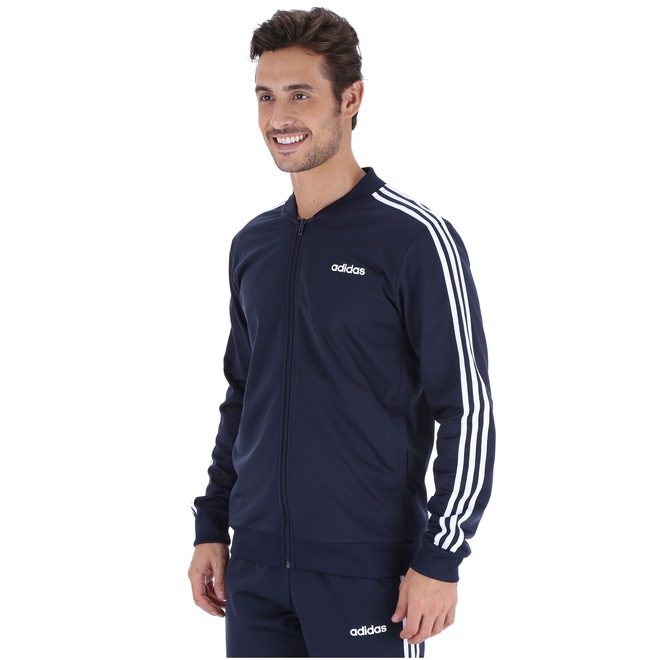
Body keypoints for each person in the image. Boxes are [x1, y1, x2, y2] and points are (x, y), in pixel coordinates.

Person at [188, 7, 495, 658]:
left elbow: (466, 407)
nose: (279, 117)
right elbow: (242, 397)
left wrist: (441, 555)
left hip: (370, 574)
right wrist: (212, 523)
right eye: (266, 96)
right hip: (256, 570)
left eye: (300, 94)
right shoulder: (253, 245)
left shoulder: (414, 240)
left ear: (351, 99)